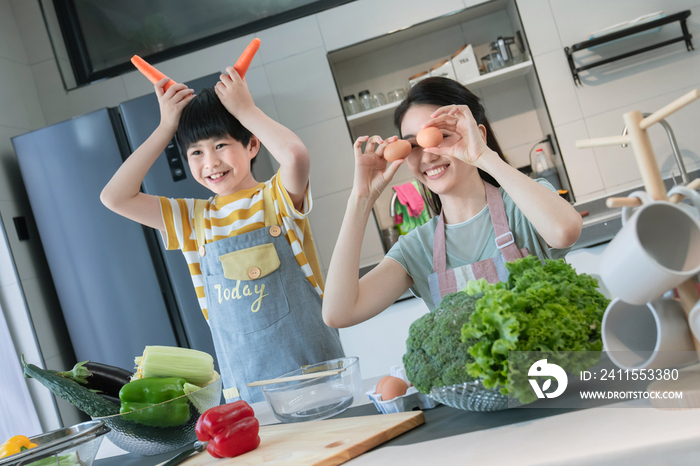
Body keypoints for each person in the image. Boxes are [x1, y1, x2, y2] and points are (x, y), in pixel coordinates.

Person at [101, 68, 344, 403]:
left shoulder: (275, 198)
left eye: (220, 145)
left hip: (316, 378)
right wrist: (165, 128)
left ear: (252, 144)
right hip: (247, 393)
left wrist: (246, 110)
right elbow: (114, 197)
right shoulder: (192, 218)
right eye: (196, 152)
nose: (210, 162)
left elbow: (295, 155)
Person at [322, 77, 582, 327]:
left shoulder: (523, 206)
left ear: (476, 134)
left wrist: (482, 154)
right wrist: (361, 199)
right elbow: (339, 313)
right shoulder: (417, 248)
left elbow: (565, 231)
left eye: (440, 136)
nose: (427, 156)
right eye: (413, 146)